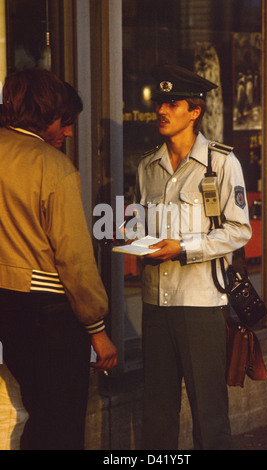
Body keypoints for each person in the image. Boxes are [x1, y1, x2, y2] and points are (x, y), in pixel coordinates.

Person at [135, 64, 252, 450]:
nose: (162, 110)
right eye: (160, 103)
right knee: (156, 412)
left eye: (173, 103)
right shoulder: (147, 167)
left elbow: (239, 230)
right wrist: (135, 236)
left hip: (201, 305)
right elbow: (144, 221)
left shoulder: (221, 163)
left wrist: (183, 248)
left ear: (195, 111)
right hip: (155, 303)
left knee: (209, 413)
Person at [0, 68, 117, 450]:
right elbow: (75, 261)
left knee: (39, 415)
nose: (67, 133)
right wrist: (98, 331)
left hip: (8, 304)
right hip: (50, 313)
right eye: (62, 122)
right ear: (44, 112)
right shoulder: (53, 166)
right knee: (62, 425)